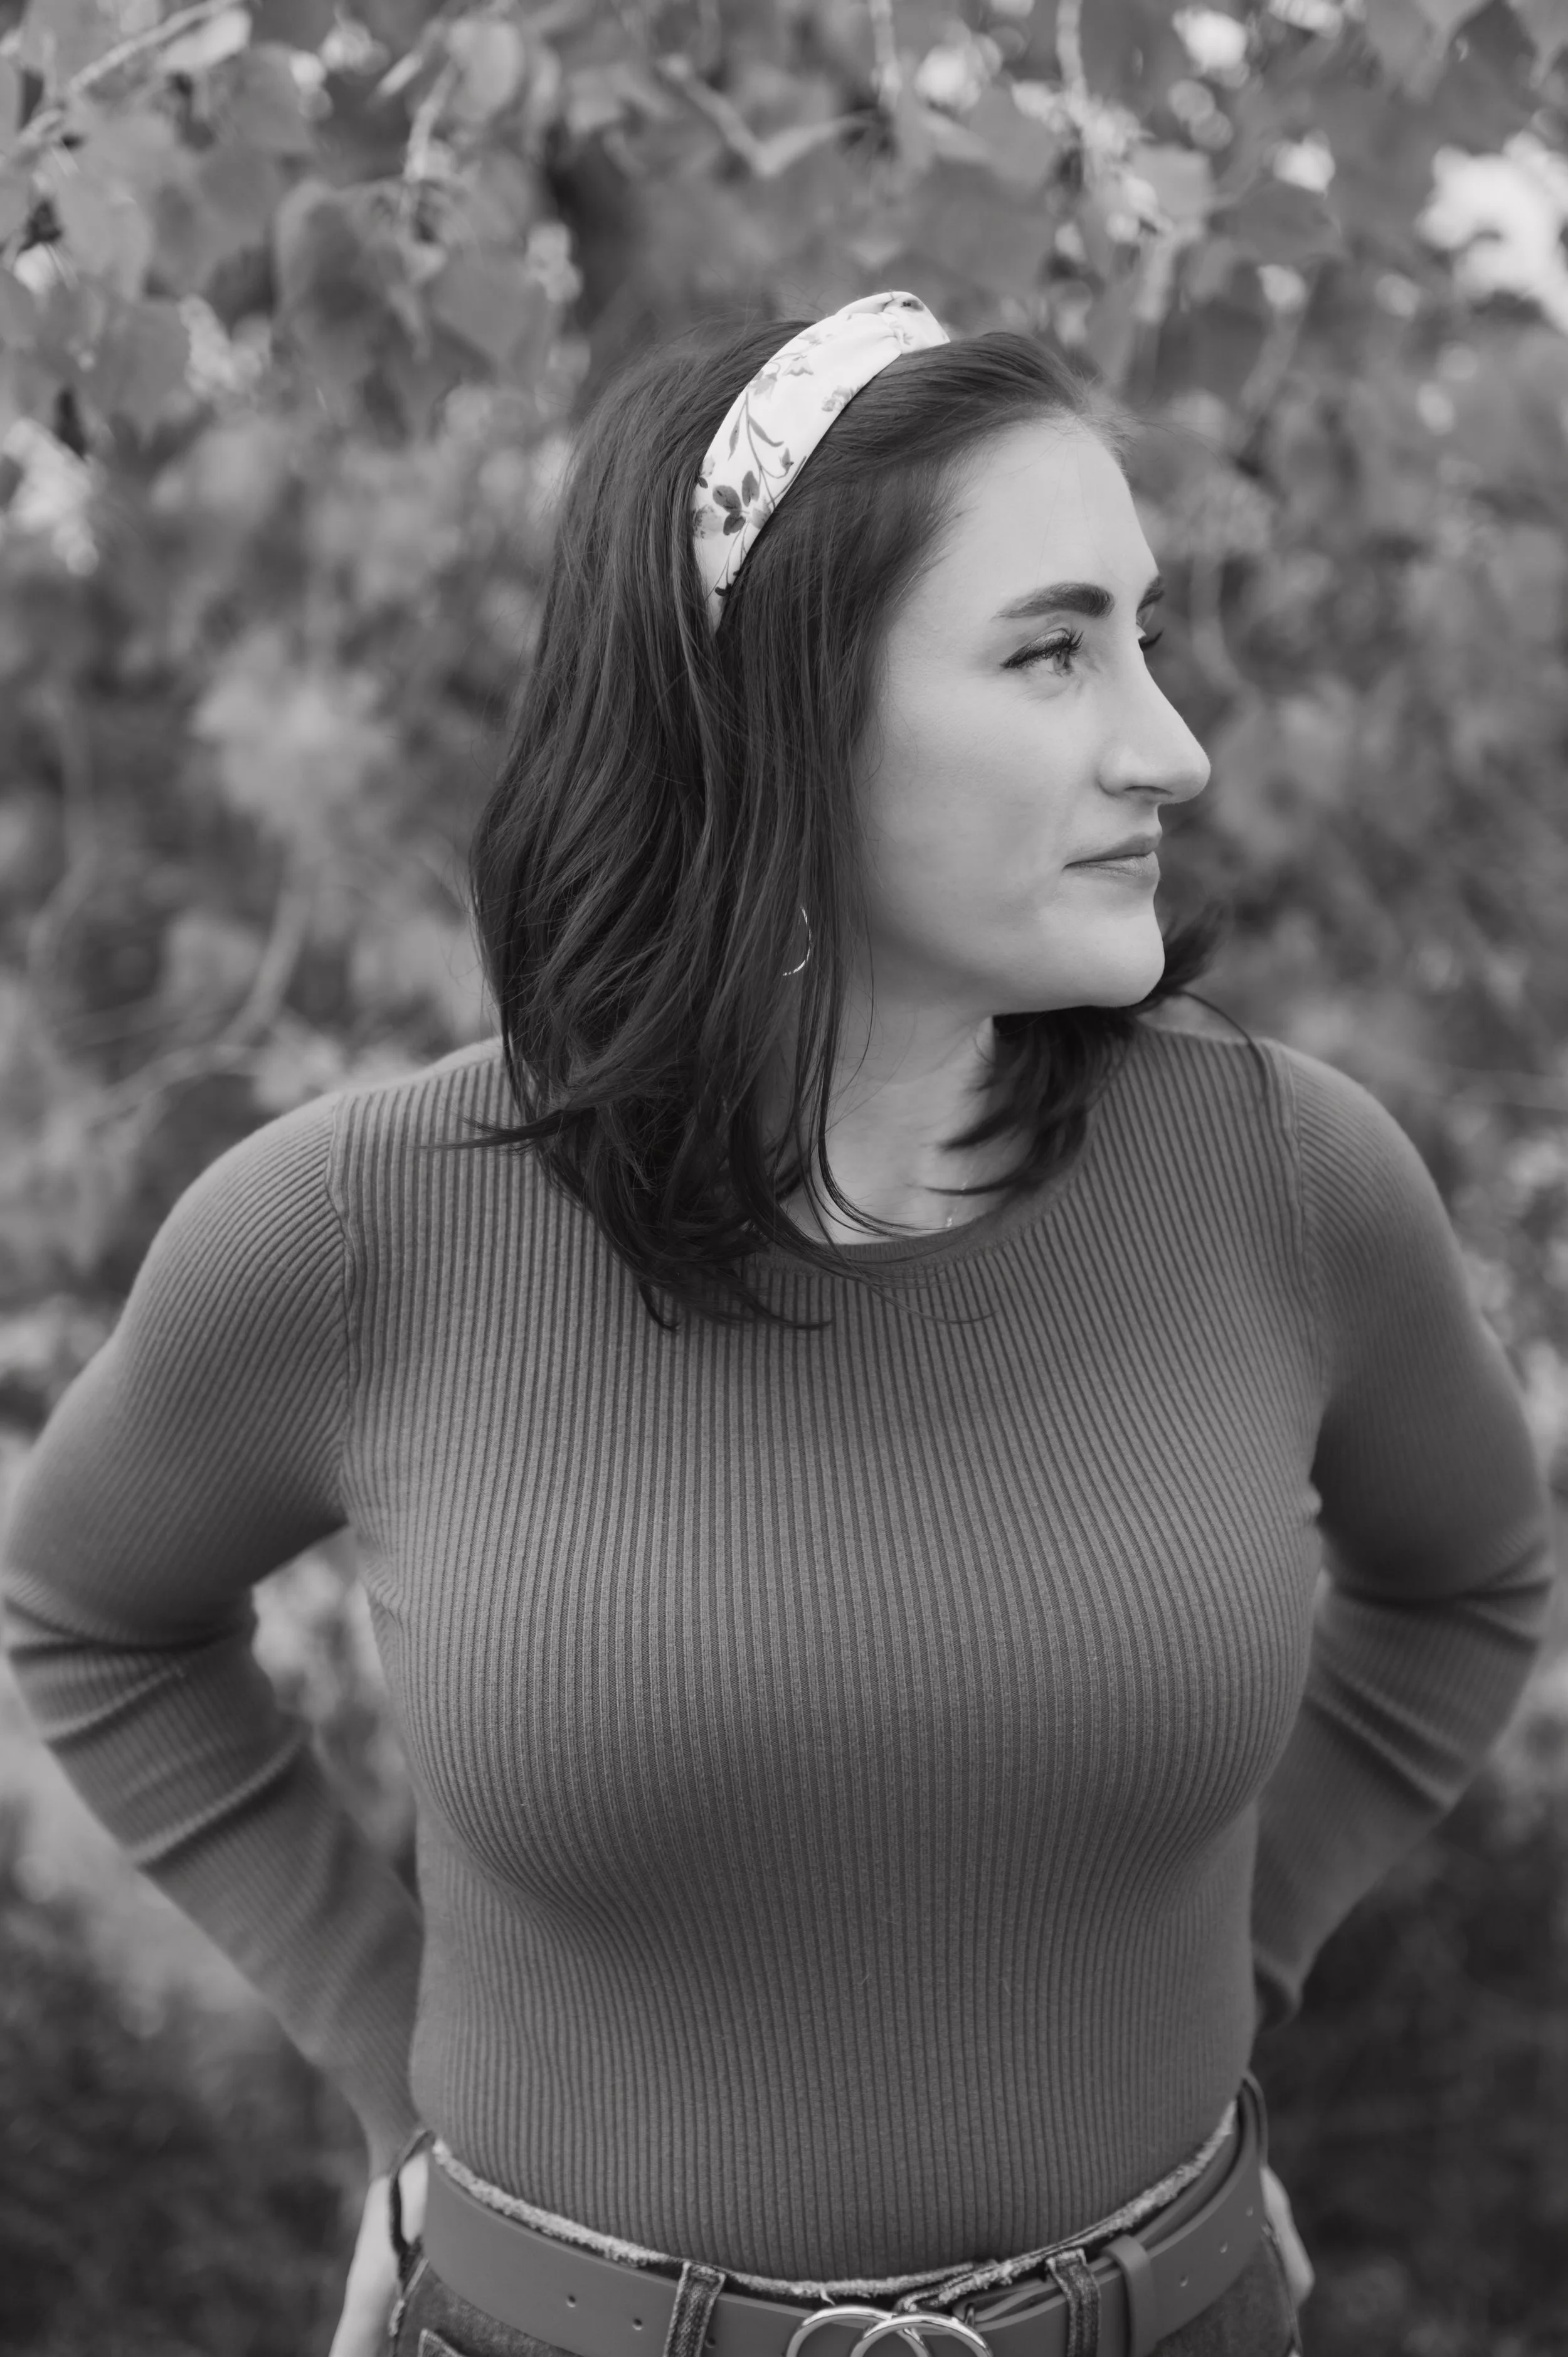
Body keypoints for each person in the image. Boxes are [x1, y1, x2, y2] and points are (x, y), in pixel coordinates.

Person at [1, 293, 1552, 2357]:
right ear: (781, 713)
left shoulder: (1283, 1177)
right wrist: (402, 2069)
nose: (1167, 742)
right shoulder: (367, 1226)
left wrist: (1224, 1965)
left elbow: (1464, 1580)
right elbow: (94, 1614)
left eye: (1147, 635)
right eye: (1050, 648)